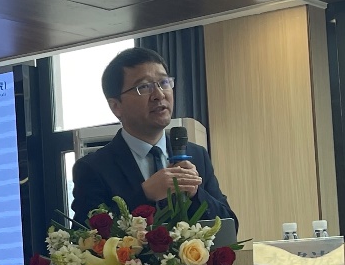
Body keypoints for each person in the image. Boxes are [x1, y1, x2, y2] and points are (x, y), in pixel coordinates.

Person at [70, 47, 238, 229]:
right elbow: (85, 237)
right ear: (116, 106)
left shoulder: (197, 155)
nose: (159, 94)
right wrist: (145, 195)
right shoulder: (93, 168)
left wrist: (196, 194)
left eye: (164, 82)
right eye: (144, 87)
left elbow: (230, 227)